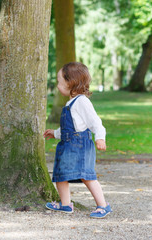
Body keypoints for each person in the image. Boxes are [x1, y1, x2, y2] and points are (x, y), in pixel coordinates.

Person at [43, 62, 112, 218]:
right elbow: (71, 127)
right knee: (60, 175)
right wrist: (55, 133)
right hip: (67, 145)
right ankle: (65, 204)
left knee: (86, 175)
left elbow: (95, 122)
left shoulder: (82, 102)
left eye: (60, 82)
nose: (58, 86)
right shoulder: (71, 103)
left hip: (80, 146)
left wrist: (100, 137)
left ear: (70, 83)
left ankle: (103, 205)